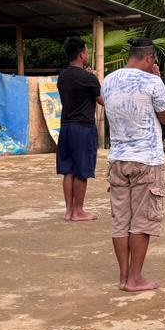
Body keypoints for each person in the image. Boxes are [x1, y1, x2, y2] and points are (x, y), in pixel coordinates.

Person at [100, 38, 165, 291]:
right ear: (150, 58)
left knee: (121, 221)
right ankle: (135, 278)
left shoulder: (108, 80)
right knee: (141, 221)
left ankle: (123, 277)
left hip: (117, 159)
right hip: (146, 160)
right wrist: (158, 80)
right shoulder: (153, 82)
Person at [57, 36, 103, 222]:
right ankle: (79, 211)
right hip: (83, 128)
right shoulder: (89, 78)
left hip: (66, 127)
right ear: (82, 54)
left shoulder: (62, 76)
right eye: (86, 51)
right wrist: (94, 79)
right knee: (81, 170)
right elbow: (102, 100)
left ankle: (69, 211)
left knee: (68, 170)